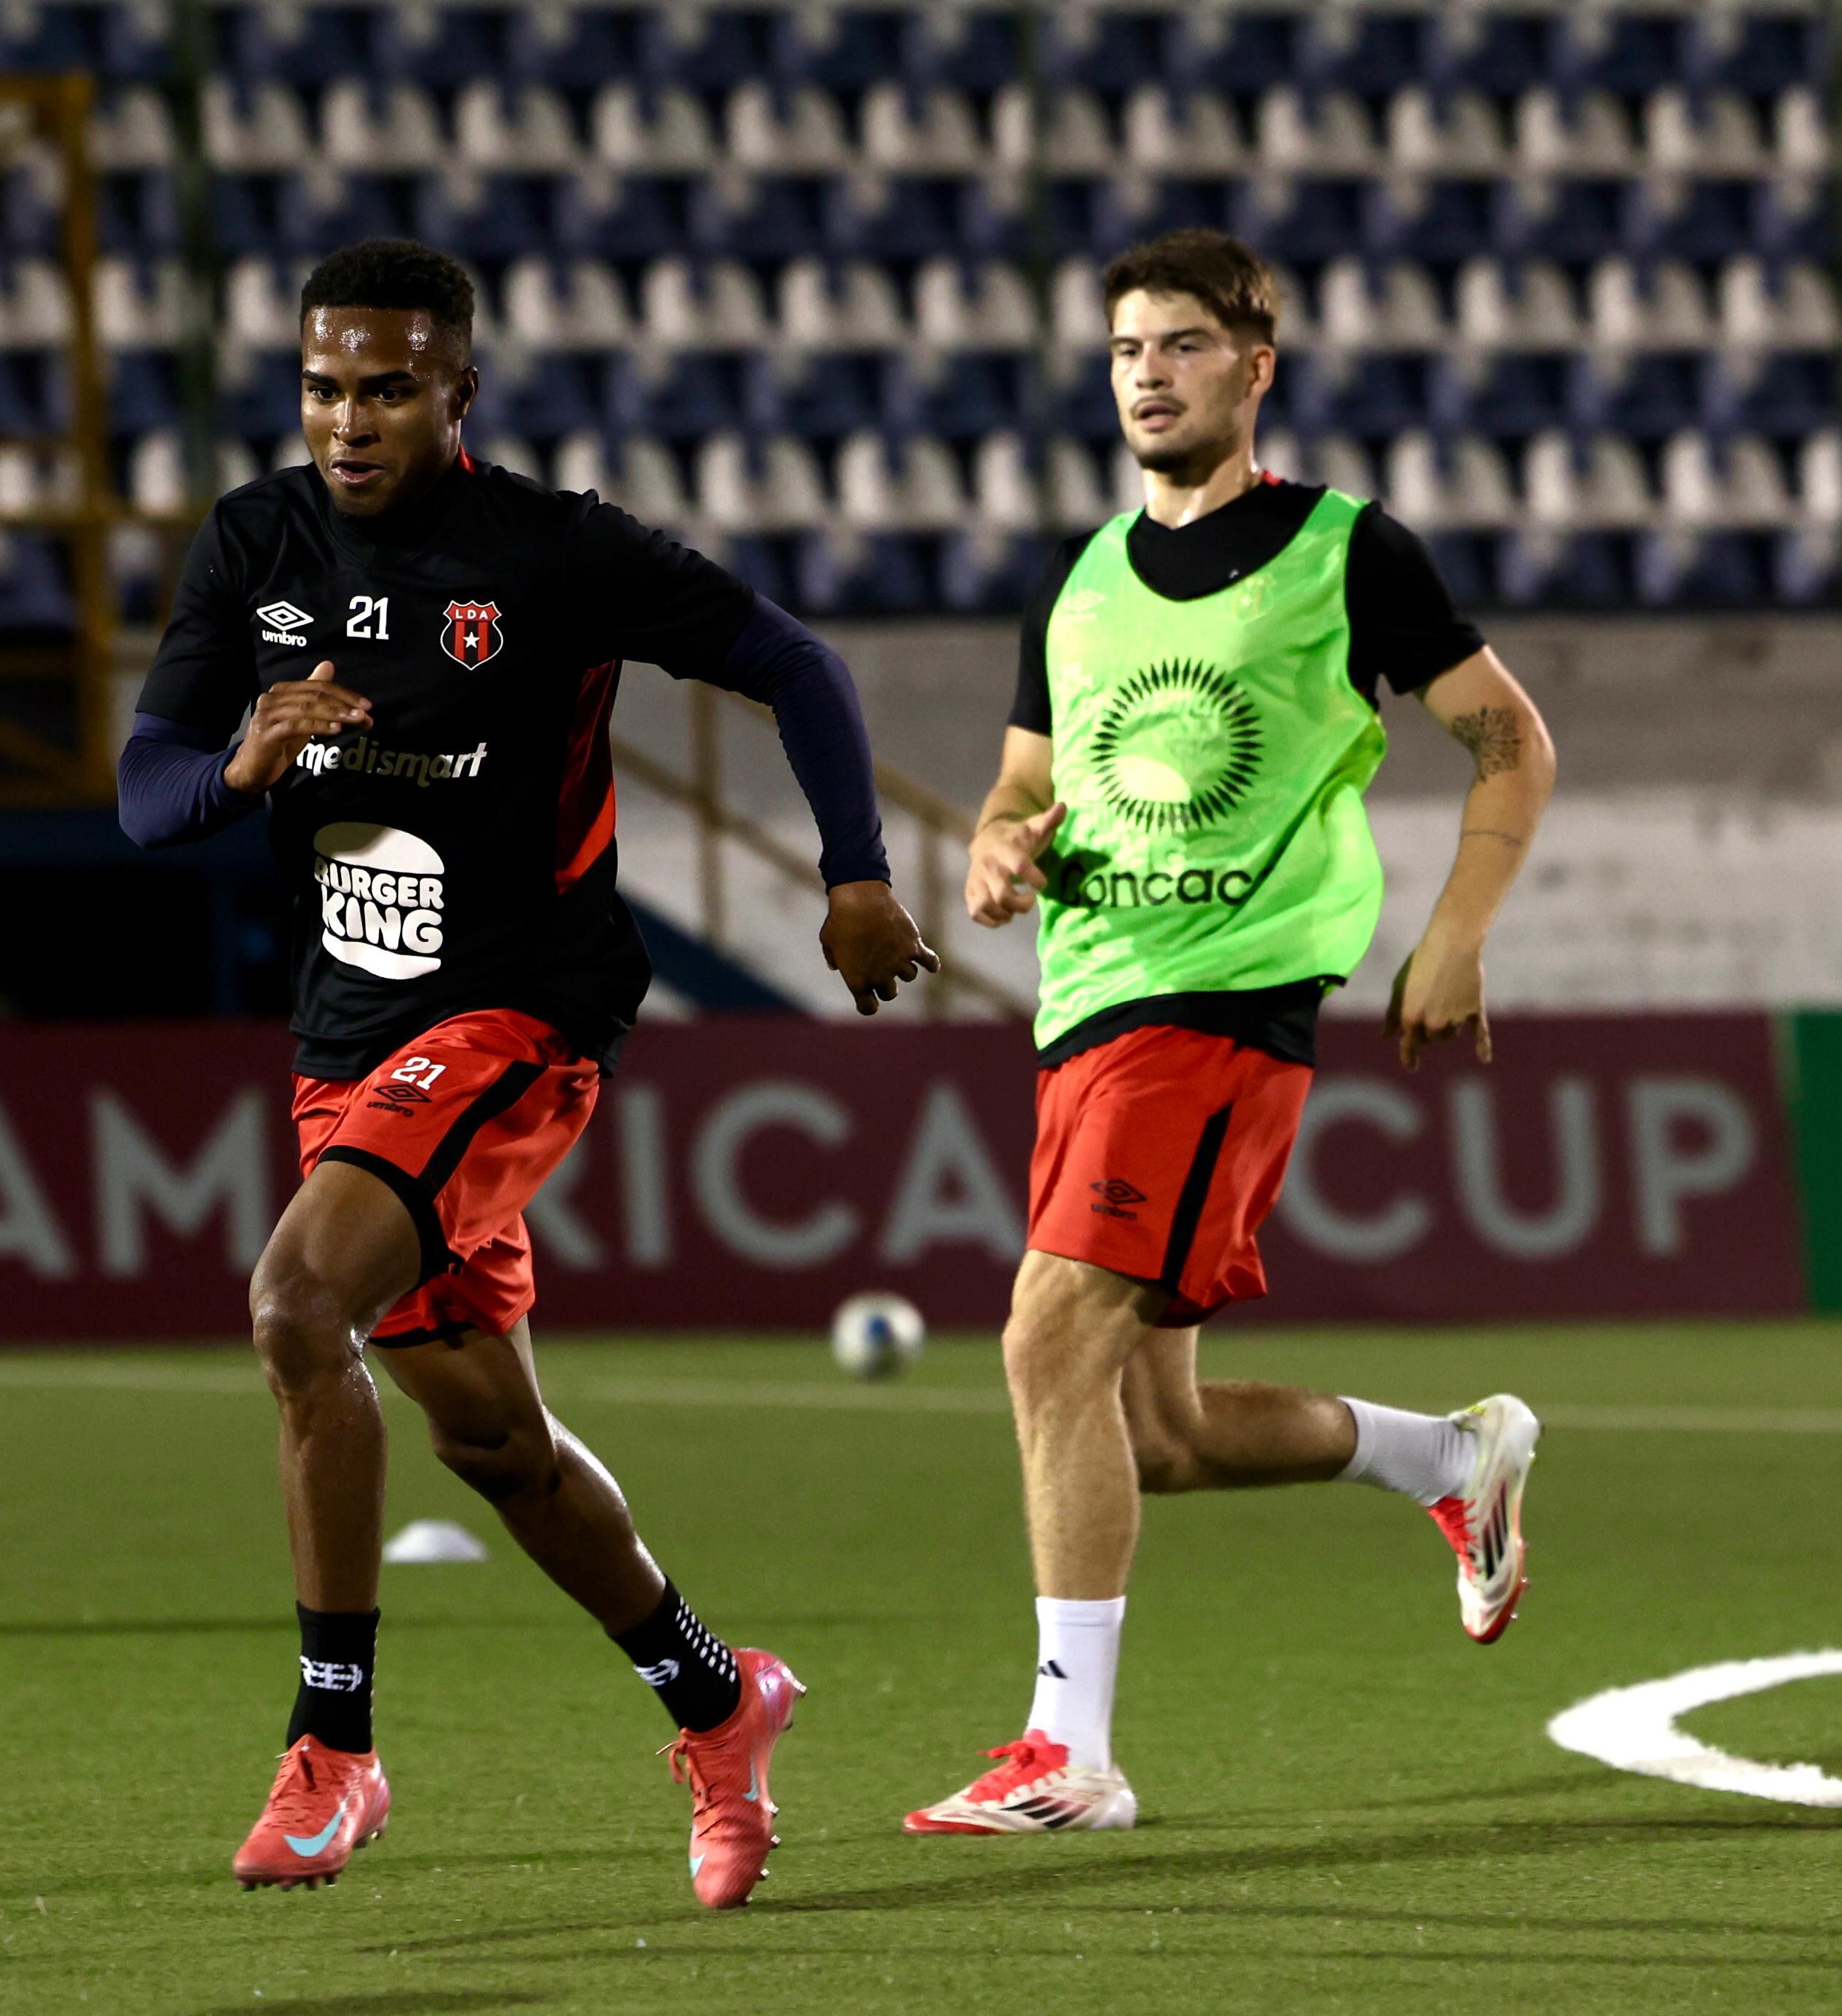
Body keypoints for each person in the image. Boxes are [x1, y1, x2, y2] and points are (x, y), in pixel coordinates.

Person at [118, 238, 938, 1903]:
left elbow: (796, 663)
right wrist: (238, 761)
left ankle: (332, 1749)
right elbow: (142, 791)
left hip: (518, 1019)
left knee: (294, 1309)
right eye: (324, 386)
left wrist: (851, 871)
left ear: (457, 392)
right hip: (349, 1038)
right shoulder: (253, 543)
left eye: (389, 387)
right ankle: (719, 1698)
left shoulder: (551, 552)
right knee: (492, 1443)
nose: (349, 419)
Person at [906, 229, 1560, 1837]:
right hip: (1087, 1003)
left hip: (1221, 1003)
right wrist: (999, 842)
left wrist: (1454, 933)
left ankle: (1071, 1754)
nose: (1147, 371)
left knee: (1044, 1335)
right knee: (1162, 1434)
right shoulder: (1076, 582)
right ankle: (1449, 1456)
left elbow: (1511, 743)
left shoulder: (1346, 552)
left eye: (1183, 344)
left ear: (1252, 368)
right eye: (1128, 347)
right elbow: (1018, 784)